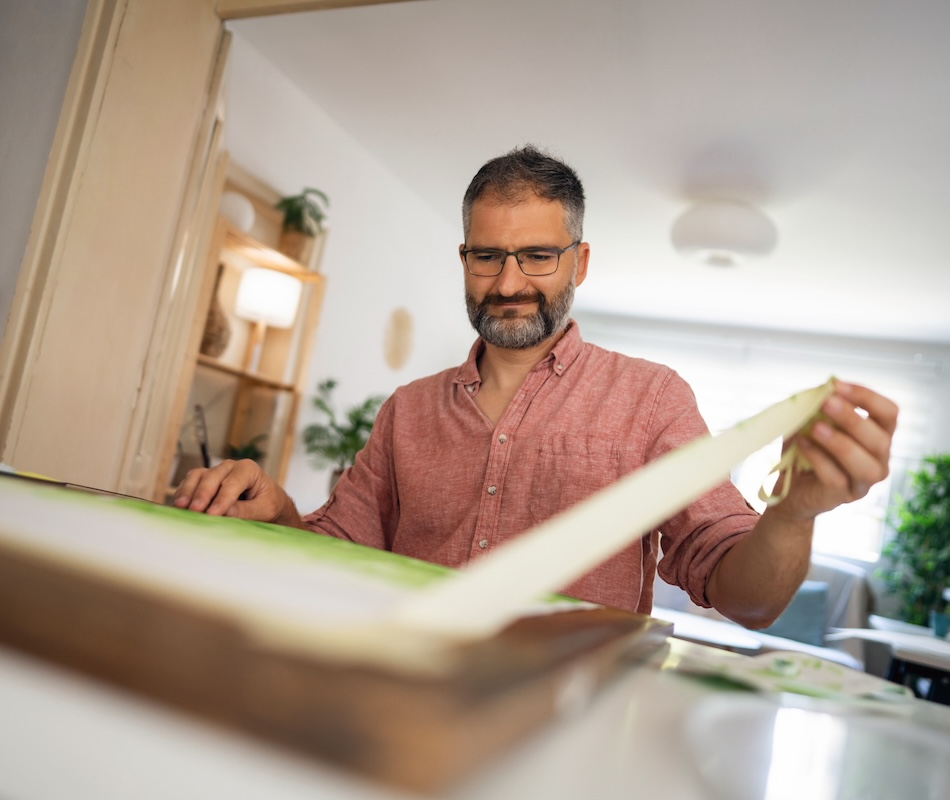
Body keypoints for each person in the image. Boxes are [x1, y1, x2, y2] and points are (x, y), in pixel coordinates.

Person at [174, 146, 897, 628]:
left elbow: (747, 597)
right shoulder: (407, 412)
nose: (509, 282)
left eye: (538, 256)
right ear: (463, 257)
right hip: (401, 695)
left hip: (566, 731)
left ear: (580, 263)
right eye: (487, 256)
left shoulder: (652, 400)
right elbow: (333, 550)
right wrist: (274, 514)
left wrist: (796, 514)